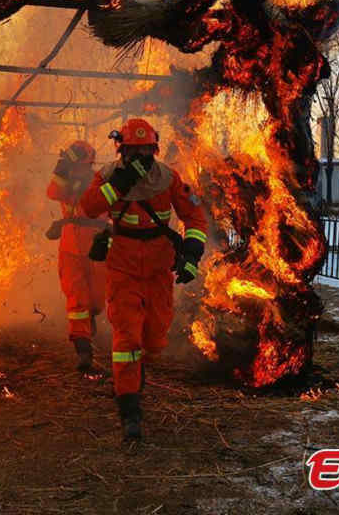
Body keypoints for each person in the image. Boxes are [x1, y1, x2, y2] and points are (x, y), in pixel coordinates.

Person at [80, 118, 208, 440]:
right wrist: (120, 184)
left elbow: (194, 216)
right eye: (133, 151)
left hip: (158, 270)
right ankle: (129, 408)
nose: (140, 157)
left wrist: (191, 256)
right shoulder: (109, 176)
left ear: (155, 149)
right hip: (122, 269)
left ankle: (138, 372)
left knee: (154, 338)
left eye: (145, 151)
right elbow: (89, 206)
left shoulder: (168, 179)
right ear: (121, 150)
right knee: (127, 338)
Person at [46, 140, 107, 373]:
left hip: (98, 247)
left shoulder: (102, 181)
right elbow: (52, 192)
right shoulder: (66, 179)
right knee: (76, 297)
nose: (77, 169)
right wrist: (61, 168)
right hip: (71, 246)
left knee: (97, 299)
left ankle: (91, 318)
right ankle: (83, 349)